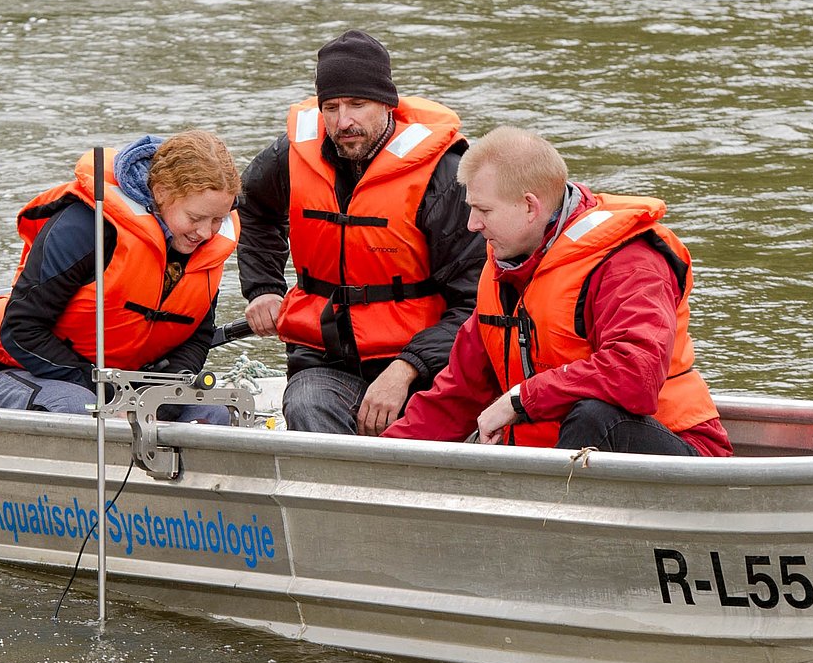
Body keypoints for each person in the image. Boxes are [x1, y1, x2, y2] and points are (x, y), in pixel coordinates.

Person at [383, 127, 732, 456]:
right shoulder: (506, 266)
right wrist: (377, 460)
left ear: (530, 207)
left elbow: (635, 376)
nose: (472, 225)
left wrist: (520, 399)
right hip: (556, 462)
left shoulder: (628, 262)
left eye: (483, 210)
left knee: (593, 416)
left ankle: (546, 510)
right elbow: (457, 394)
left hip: (681, 452)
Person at [237, 29, 484, 436]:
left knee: (428, 434)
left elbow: (474, 302)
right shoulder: (291, 154)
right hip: (324, 360)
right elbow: (253, 210)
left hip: (426, 365)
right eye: (330, 107)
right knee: (307, 405)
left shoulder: (444, 175)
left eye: (357, 104)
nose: (343, 121)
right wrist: (263, 287)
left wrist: (407, 369)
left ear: (387, 103)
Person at [0, 130, 241, 424]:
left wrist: (162, 397)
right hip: (6, 371)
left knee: (211, 413)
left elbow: (196, 338)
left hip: (120, 386)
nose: (206, 233)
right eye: (195, 218)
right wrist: (107, 394)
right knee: (79, 409)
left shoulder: (202, 248)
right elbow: (22, 330)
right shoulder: (85, 227)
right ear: (163, 192)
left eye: (217, 220)